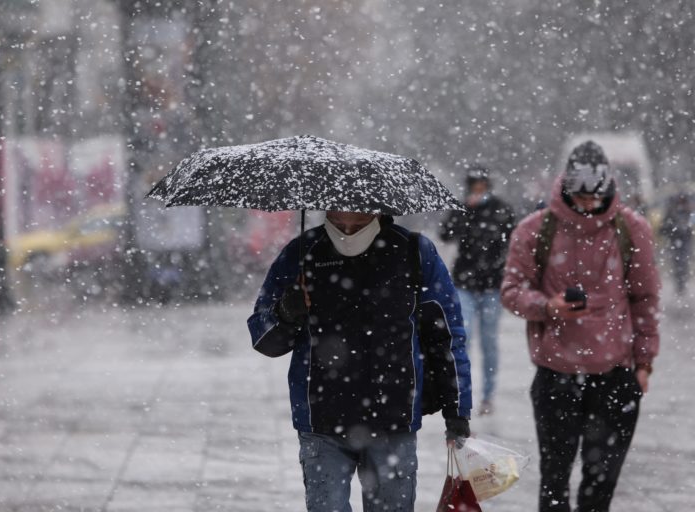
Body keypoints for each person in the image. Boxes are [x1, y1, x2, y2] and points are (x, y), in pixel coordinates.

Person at [248, 211, 472, 512]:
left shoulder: (413, 251)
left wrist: (456, 410)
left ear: (379, 210)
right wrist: (287, 312)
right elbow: (265, 341)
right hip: (321, 420)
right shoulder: (302, 253)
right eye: (339, 220)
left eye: (359, 220)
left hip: (394, 418)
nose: (348, 228)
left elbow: (445, 335)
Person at [501, 140, 660, 512]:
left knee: (601, 483)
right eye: (581, 197)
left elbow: (646, 299)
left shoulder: (631, 228)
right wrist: (547, 306)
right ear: (566, 188)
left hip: (615, 374)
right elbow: (511, 291)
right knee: (555, 479)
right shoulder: (535, 230)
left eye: (596, 197)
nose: (589, 205)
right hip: (557, 375)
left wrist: (645, 362)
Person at [439, 165, 516, 415]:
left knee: (489, 342)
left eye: (481, 184)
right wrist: (463, 215)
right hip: (465, 283)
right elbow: (446, 234)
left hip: (492, 284)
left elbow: (512, 238)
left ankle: (488, 395)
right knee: (465, 335)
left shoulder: (501, 208)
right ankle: (464, 391)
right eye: (474, 184)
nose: (478, 189)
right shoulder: (462, 208)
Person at [660, 193, 693, 295]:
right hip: (675, 240)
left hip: (684, 240)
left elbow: (692, 222)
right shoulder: (671, 212)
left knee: (683, 262)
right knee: (677, 262)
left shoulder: (688, 211)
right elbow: (664, 226)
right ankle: (679, 283)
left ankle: (682, 283)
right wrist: (674, 229)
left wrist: (686, 227)